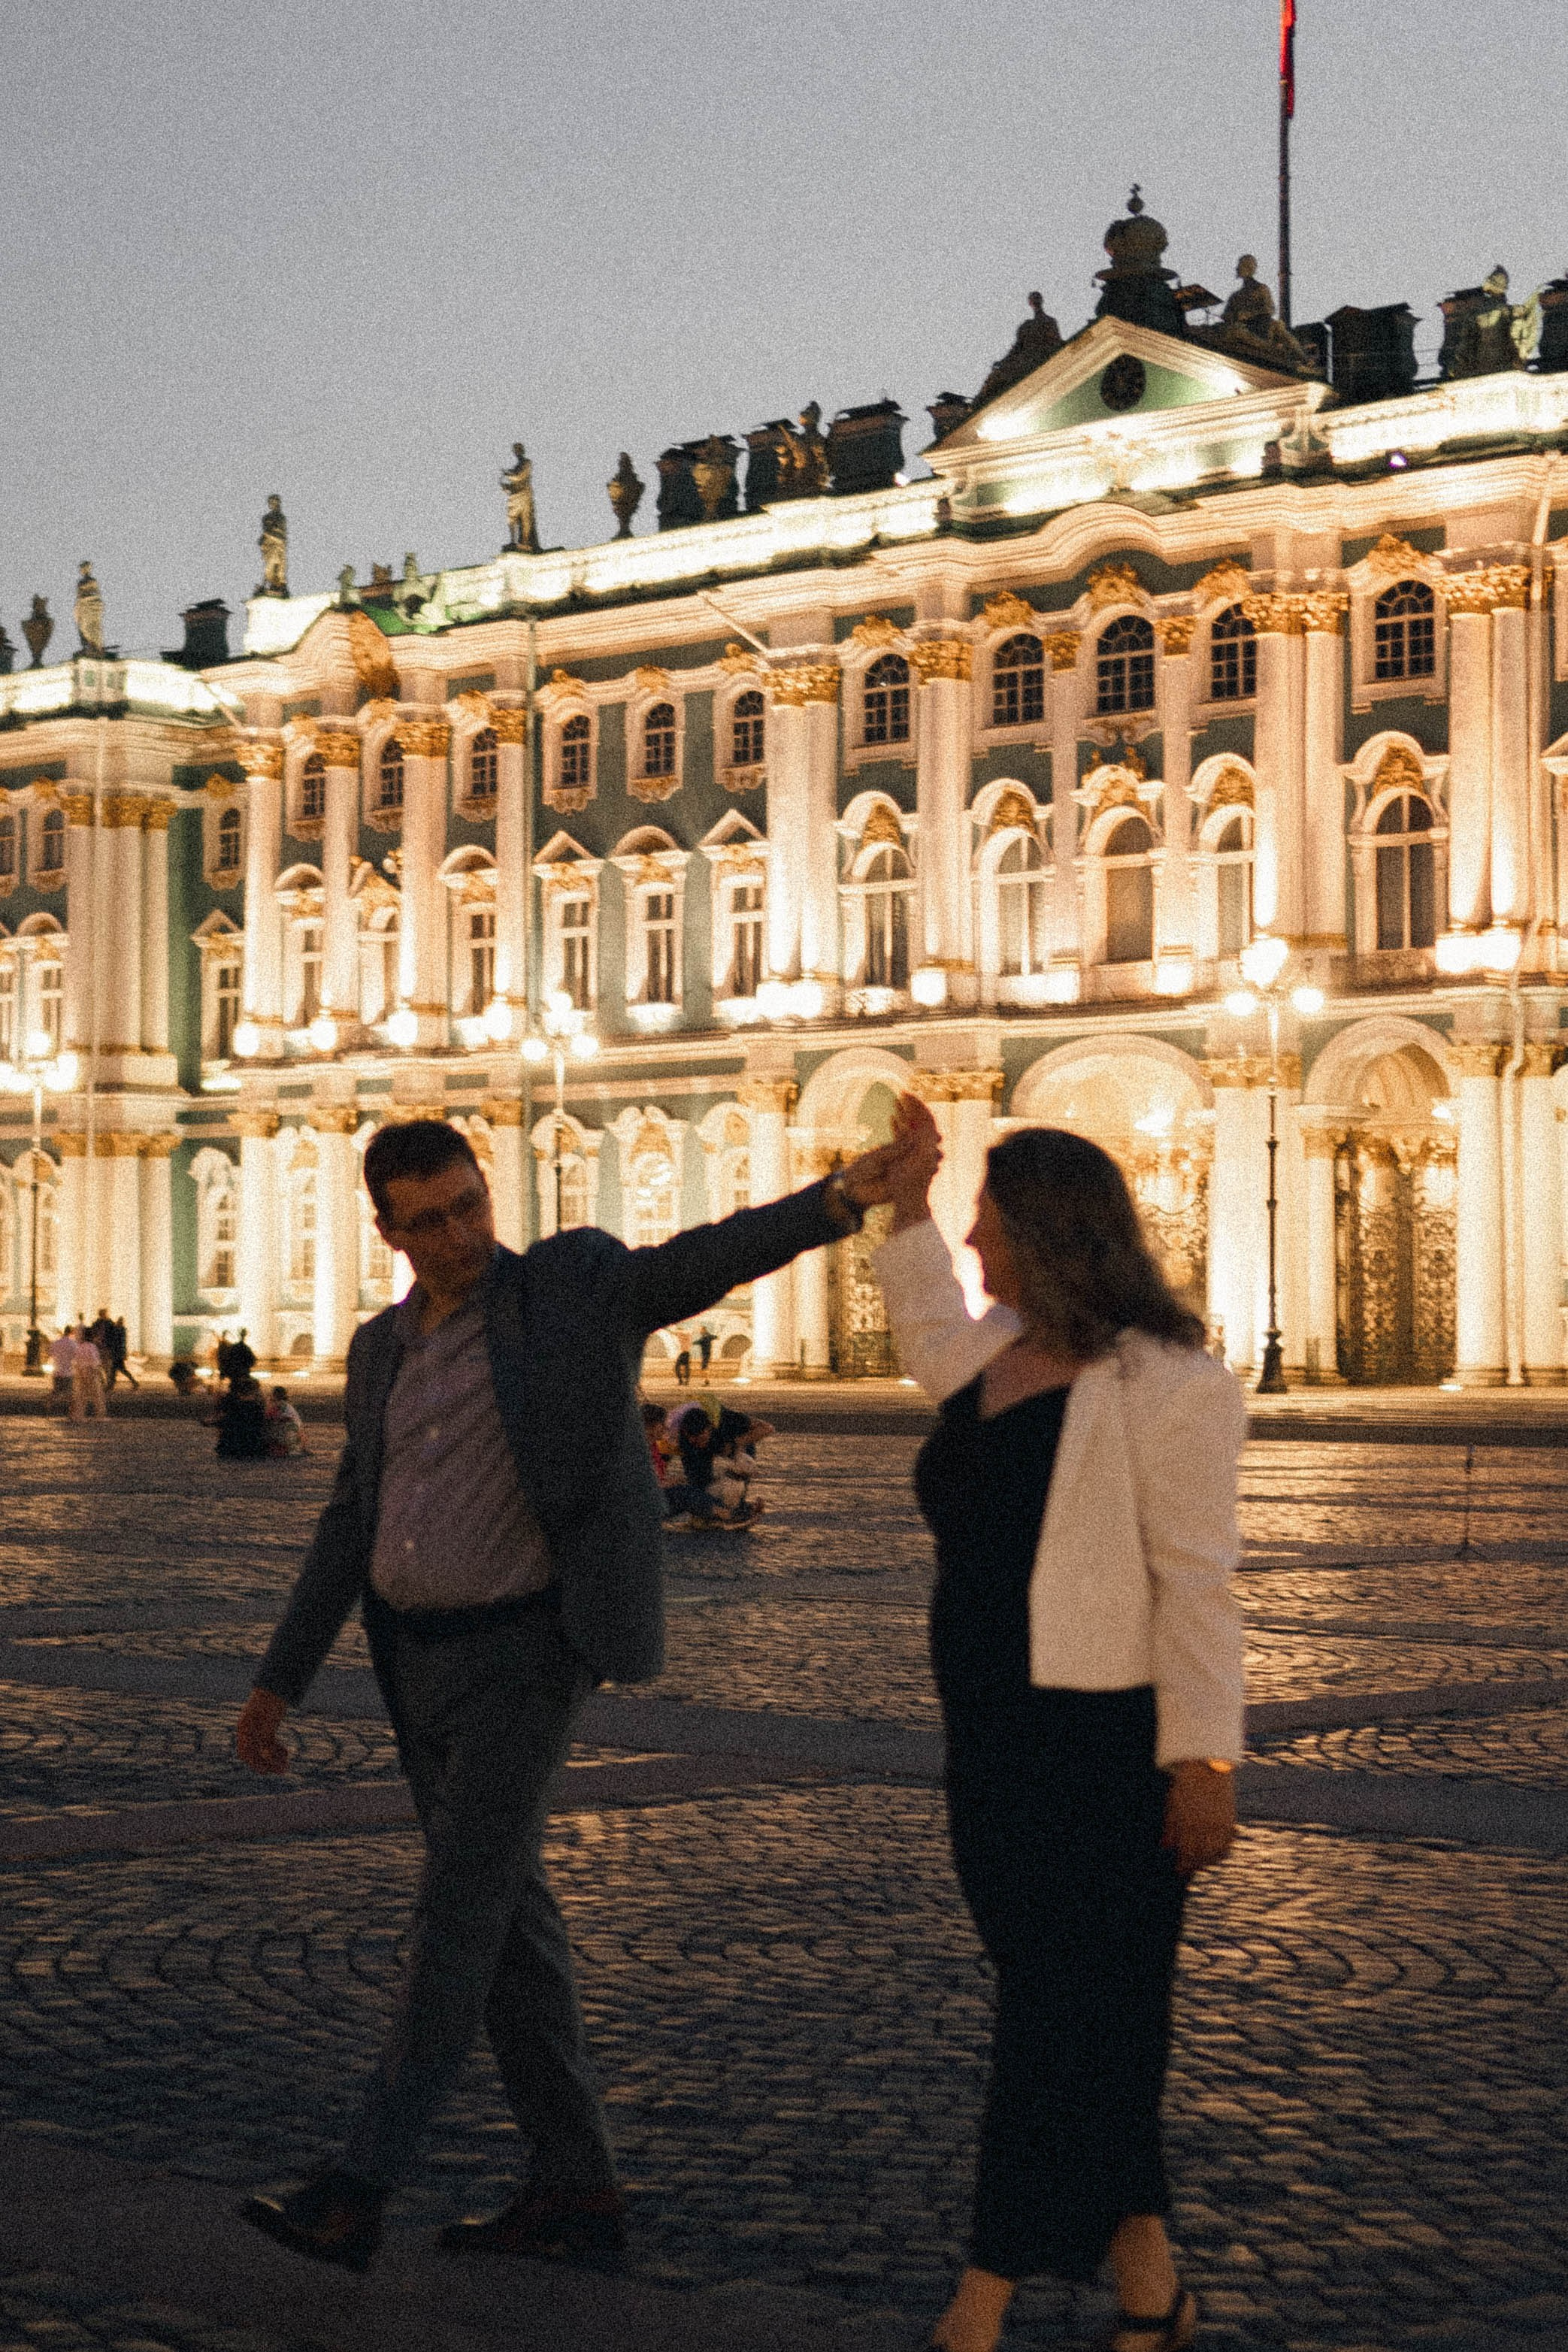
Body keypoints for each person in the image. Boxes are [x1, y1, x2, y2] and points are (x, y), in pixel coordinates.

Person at [233, 1114, 913, 2274]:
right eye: (429, 1218)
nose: (459, 1233)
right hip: (417, 1662)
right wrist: (277, 1680)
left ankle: (359, 2184)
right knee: (511, 1930)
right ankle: (576, 2188)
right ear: (387, 1228)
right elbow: (351, 1516)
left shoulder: (567, 1291)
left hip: (527, 1656)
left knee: (455, 1919)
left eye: (469, 1204)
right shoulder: (378, 1349)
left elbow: (697, 1259)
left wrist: (841, 1198)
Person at [873, 1096, 1244, 2352]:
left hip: (1105, 1746)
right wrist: (904, 1194)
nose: (971, 1240)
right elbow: (924, 1322)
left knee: (1054, 2014)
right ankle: (1149, 2279)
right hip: (992, 1743)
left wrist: (1203, 1757)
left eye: (982, 1215)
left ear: (1041, 1228)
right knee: (1090, 2012)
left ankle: (982, 2294)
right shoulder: (992, 1355)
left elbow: (1194, 1576)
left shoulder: (1170, 1384)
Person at [216, 1374, 269, 1460]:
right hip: (253, 1446)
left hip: (234, 1446)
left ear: (239, 1393)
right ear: (253, 1392)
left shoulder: (234, 1407)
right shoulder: (257, 1407)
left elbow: (225, 1422)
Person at [69, 1327, 107, 1421]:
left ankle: (78, 1415)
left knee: (81, 1395)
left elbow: (75, 1361)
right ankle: (100, 1416)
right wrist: (100, 1374)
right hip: (91, 1372)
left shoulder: (80, 1347)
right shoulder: (92, 1347)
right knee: (97, 1395)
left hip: (80, 1373)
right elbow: (95, 1362)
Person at [265, 1385, 307, 1458]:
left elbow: (269, 1417)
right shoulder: (288, 1406)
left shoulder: (278, 1405)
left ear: (274, 1396)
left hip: (288, 1440)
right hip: (297, 1442)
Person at [47, 1326, 77, 1413]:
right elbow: (76, 1357)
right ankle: (72, 1411)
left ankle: (48, 1406)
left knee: (56, 1391)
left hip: (57, 1371)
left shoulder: (56, 1343)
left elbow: (50, 1353)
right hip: (68, 1372)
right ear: (71, 1333)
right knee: (71, 1393)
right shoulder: (73, 1344)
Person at [109, 1316, 139, 1390]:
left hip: (117, 1354)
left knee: (118, 1370)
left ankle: (134, 1382)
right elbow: (123, 1343)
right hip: (119, 1353)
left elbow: (119, 1343)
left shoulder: (119, 1330)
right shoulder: (121, 1330)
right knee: (117, 1370)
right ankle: (111, 1385)